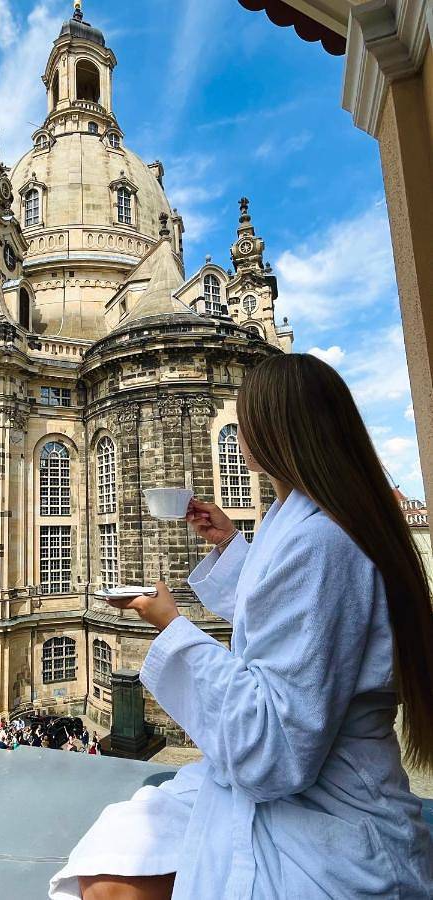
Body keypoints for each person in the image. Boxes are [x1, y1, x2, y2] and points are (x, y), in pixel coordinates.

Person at [49, 353, 433, 900]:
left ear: (274, 429)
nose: (239, 426)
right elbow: (291, 618)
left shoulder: (320, 542)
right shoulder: (304, 520)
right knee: (113, 856)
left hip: (323, 818)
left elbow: (273, 749)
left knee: (110, 880)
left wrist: (173, 629)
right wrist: (230, 544)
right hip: (304, 791)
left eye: (245, 413)